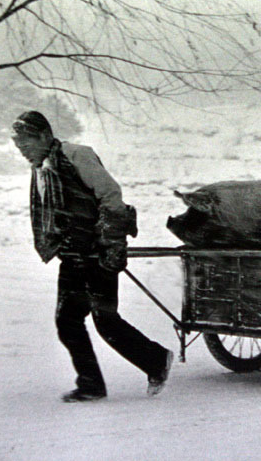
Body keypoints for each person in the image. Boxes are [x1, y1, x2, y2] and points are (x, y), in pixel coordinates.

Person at [11, 110, 173, 402]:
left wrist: (111, 243)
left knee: (105, 320)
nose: (22, 150)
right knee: (68, 321)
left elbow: (110, 194)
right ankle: (92, 384)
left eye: (26, 143)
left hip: (96, 252)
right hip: (72, 254)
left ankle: (155, 360)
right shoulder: (43, 168)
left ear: (45, 136)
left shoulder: (76, 156)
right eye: (18, 144)